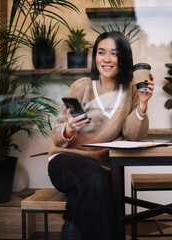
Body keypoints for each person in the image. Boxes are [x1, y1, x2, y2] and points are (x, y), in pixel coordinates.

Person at [47, 31, 154, 240]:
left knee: (86, 193)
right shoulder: (82, 86)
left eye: (113, 54)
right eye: (101, 52)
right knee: (98, 181)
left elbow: (133, 136)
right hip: (63, 161)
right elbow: (56, 136)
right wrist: (69, 128)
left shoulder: (130, 92)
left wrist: (142, 104)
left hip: (100, 169)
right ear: (94, 56)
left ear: (123, 58)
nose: (106, 59)